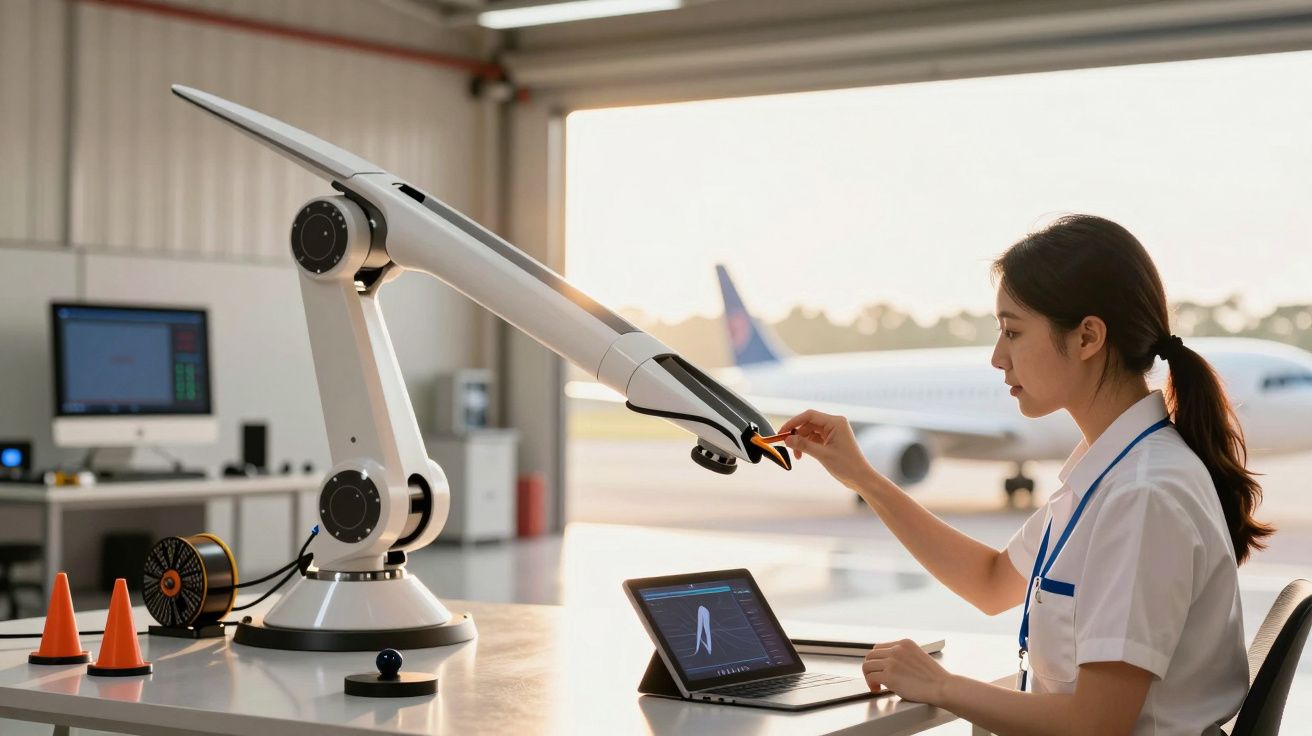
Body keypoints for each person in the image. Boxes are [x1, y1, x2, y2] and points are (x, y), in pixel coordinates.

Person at [780, 215, 1272, 735]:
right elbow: (991, 582)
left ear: (1087, 337)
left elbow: (1096, 725)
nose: (997, 358)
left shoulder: (1141, 494)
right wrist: (864, 477)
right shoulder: (1112, 471)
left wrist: (942, 685)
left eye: (1012, 331)